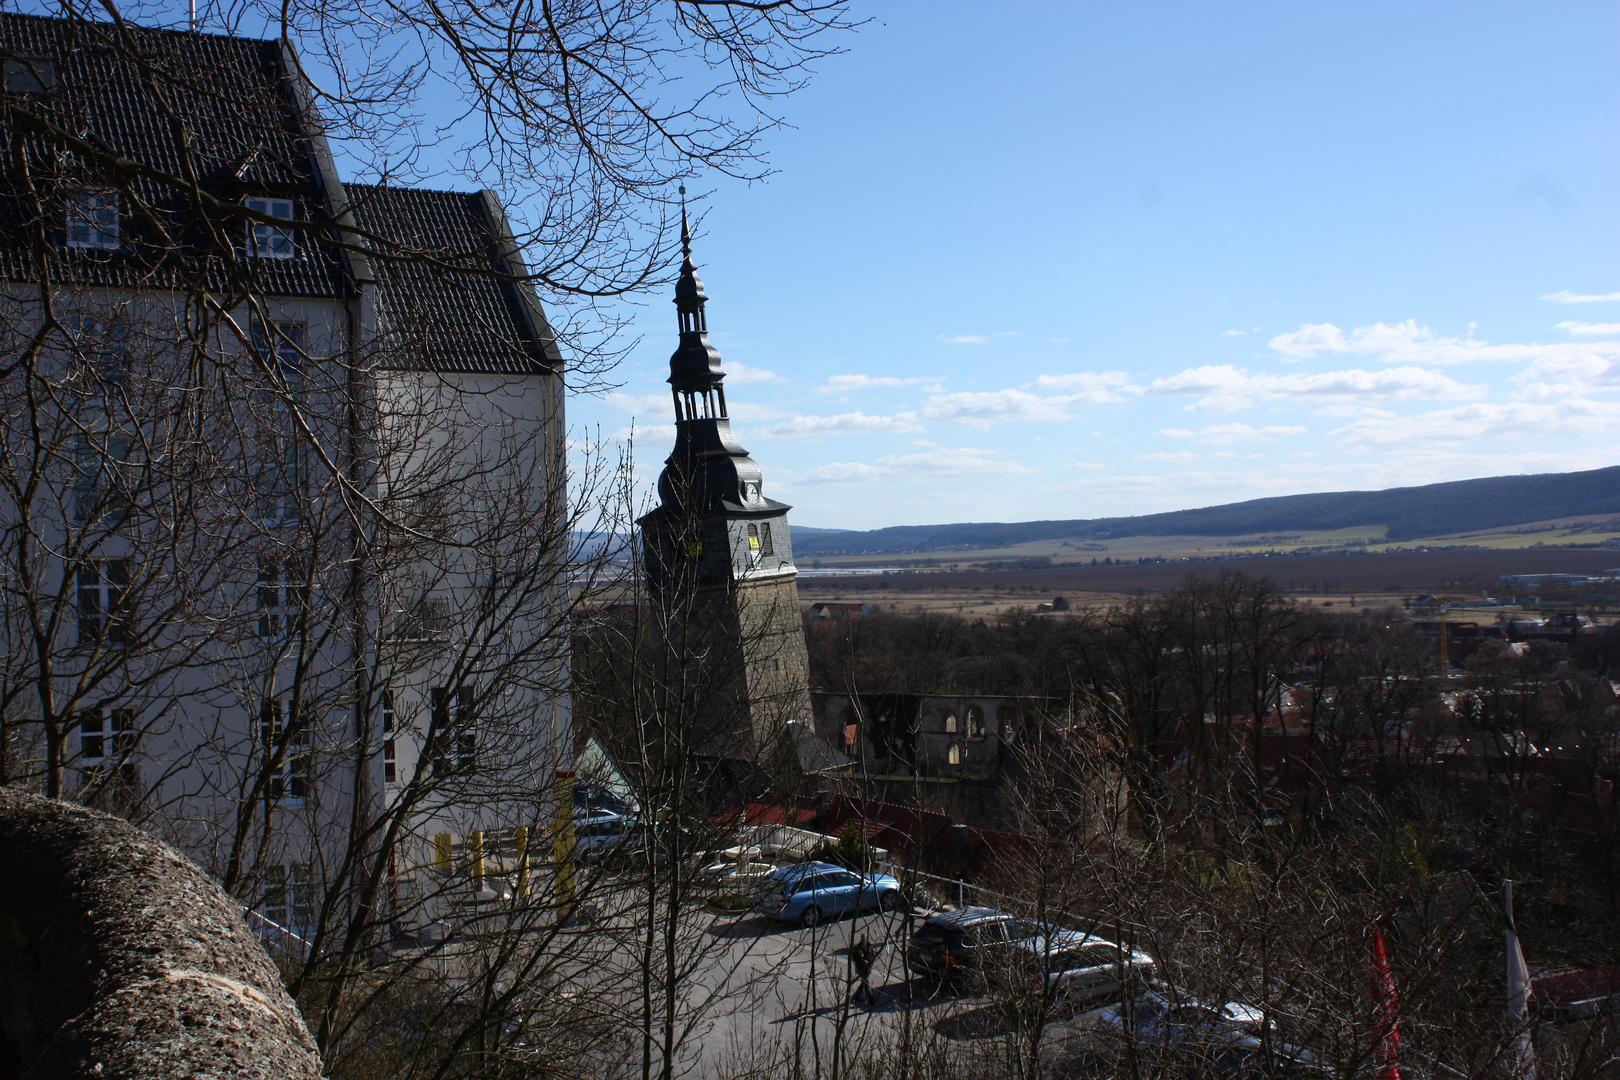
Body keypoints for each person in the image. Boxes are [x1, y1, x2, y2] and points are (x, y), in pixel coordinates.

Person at [850, 932, 878, 1007]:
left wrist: (870, 962)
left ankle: (856, 996)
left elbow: (872, 956)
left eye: (864, 938)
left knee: (863, 983)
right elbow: (854, 958)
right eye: (862, 938)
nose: (863, 939)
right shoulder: (857, 947)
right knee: (866, 984)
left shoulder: (870, 946)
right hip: (861, 968)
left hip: (868, 969)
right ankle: (871, 1000)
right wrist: (862, 961)